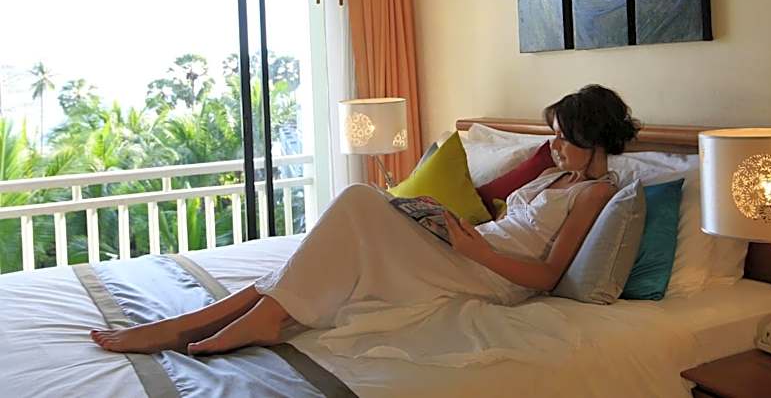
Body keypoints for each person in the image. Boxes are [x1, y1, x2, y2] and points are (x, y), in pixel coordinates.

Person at [90, 84, 640, 356]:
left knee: (358, 202)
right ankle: (206, 321)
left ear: (595, 140)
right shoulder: (553, 177)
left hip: (492, 273)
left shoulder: (596, 193)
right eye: (554, 135)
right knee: (359, 214)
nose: (554, 146)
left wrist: (476, 250)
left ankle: (209, 324)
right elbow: (503, 215)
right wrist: (448, 222)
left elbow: (546, 275)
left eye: (564, 138)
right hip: (472, 248)